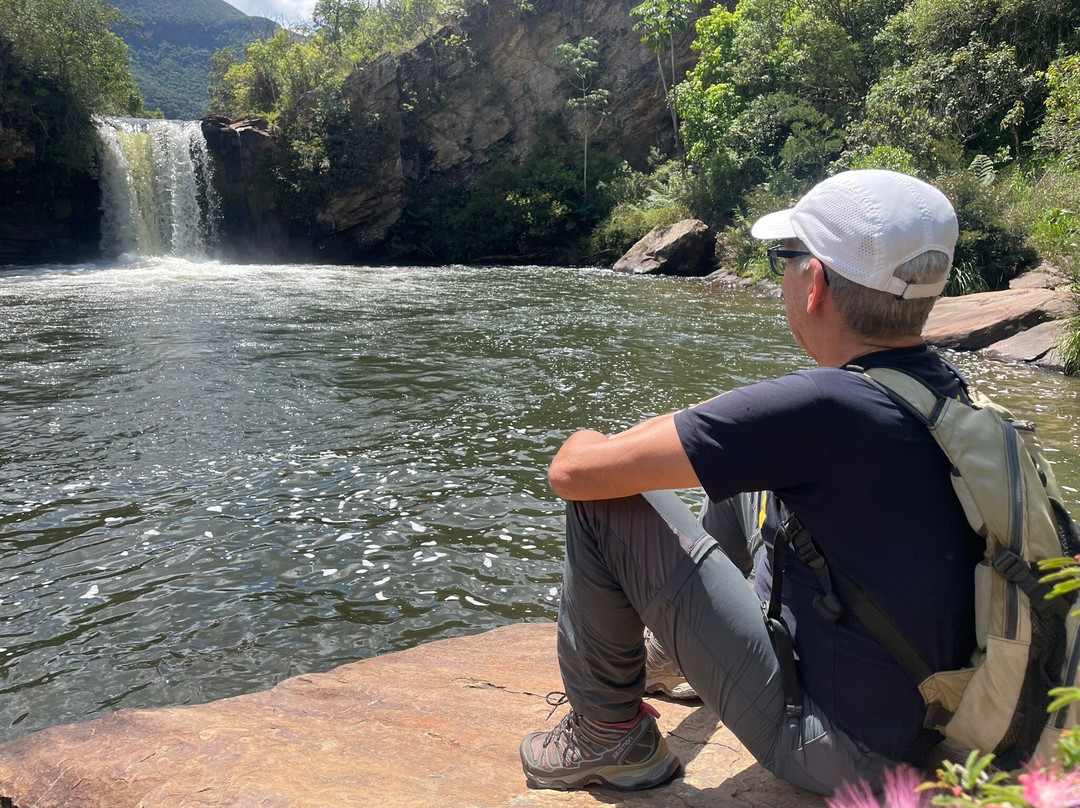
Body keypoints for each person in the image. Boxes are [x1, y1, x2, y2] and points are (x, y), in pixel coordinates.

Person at [519, 169, 984, 795]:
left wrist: (590, 440)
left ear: (814, 281)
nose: (782, 277)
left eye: (784, 260)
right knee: (745, 481)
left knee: (605, 502)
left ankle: (608, 736)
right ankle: (670, 655)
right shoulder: (941, 388)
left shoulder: (820, 407)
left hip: (839, 747)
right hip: (929, 717)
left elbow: (572, 473)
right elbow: (732, 440)